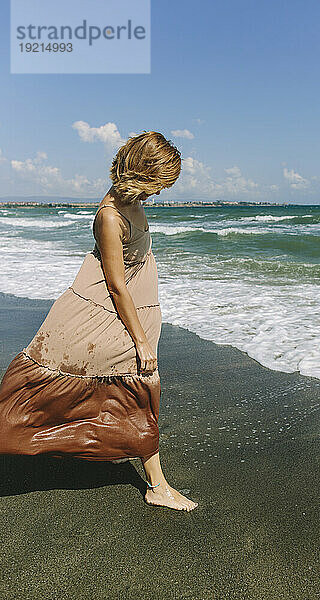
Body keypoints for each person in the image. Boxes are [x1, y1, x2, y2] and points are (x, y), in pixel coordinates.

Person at [0, 131, 198, 512]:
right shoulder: (110, 216)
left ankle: (155, 481)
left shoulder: (130, 201)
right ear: (143, 172)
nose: (159, 193)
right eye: (159, 183)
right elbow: (115, 284)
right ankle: (157, 486)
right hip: (112, 316)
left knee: (134, 393)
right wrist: (139, 340)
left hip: (134, 313)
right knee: (136, 389)